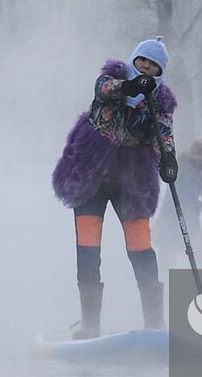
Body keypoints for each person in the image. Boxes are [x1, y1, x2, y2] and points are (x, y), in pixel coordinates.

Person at [52, 37, 178, 338]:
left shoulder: (161, 102)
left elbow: (164, 134)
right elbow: (105, 91)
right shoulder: (113, 78)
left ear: (160, 71)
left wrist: (168, 159)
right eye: (143, 61)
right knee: (88, 248)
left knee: (141, 248)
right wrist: (131, 88)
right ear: (134, 60)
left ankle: (154, 322)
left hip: (132, 183)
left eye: (153, 65)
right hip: (90, 178)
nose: (146, 68)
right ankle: (90, 324)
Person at [155, 138, 202, 263]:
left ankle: (201, 277)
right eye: (200, 154)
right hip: (171, 211)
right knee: (168, 248)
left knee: (197, 248)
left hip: (191, 214)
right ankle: (166, 275)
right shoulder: (180, 162)